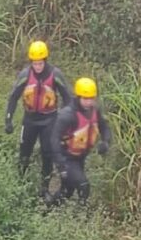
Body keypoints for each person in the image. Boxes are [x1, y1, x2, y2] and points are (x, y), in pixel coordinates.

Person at [4, 40, 71, 197]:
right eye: (35, 63)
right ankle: (20, 184)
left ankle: (44, 188)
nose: (38, 66)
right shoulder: (26, 75)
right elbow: (13, 97)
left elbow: (68, 98)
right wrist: (8, 119)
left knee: (47, 153)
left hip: (49, 120)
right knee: (24, 153)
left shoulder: (56, 75)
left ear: (45, 61)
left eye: (40, 63)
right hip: (30, 120)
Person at [47, 77, 112, 206]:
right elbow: (53, 139)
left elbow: (104, 127)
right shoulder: (67, 115)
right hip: (67, 158)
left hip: (80, 157)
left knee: (67, 191)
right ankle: (82, 216)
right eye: (85, 99)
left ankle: (48, 208)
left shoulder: (95, 110)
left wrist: (105, 142)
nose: (88, 102)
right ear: (78, 97)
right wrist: (60, 164)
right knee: (83, 185)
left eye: (91, 99)